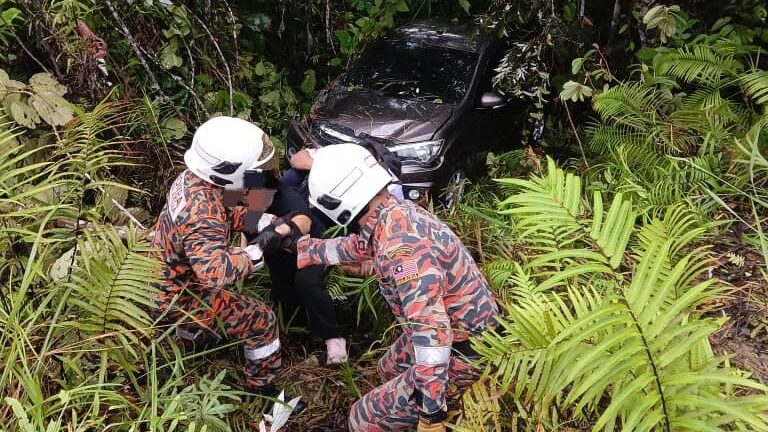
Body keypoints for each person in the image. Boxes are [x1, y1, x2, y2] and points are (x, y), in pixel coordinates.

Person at [293, 144, 501, 431]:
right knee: (387, 368)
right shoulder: (393, 211)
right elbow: (362, 245)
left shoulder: (402, 248)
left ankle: (414, 412)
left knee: (361, 419)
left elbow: (433, 335)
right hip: (460, 330)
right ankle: (403, 410)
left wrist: (431, 414)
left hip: (467, 351)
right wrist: (304, 249)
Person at [151, 116, 310, 396]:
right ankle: (262, 388)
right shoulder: (201, 212)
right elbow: (215, 274)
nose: (257, 177)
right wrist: (260, 249)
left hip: (167, 274)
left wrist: (267, 223)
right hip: (178, 293)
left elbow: (225, 211)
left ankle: (191, 342)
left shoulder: (196, 180)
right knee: (261, 320)